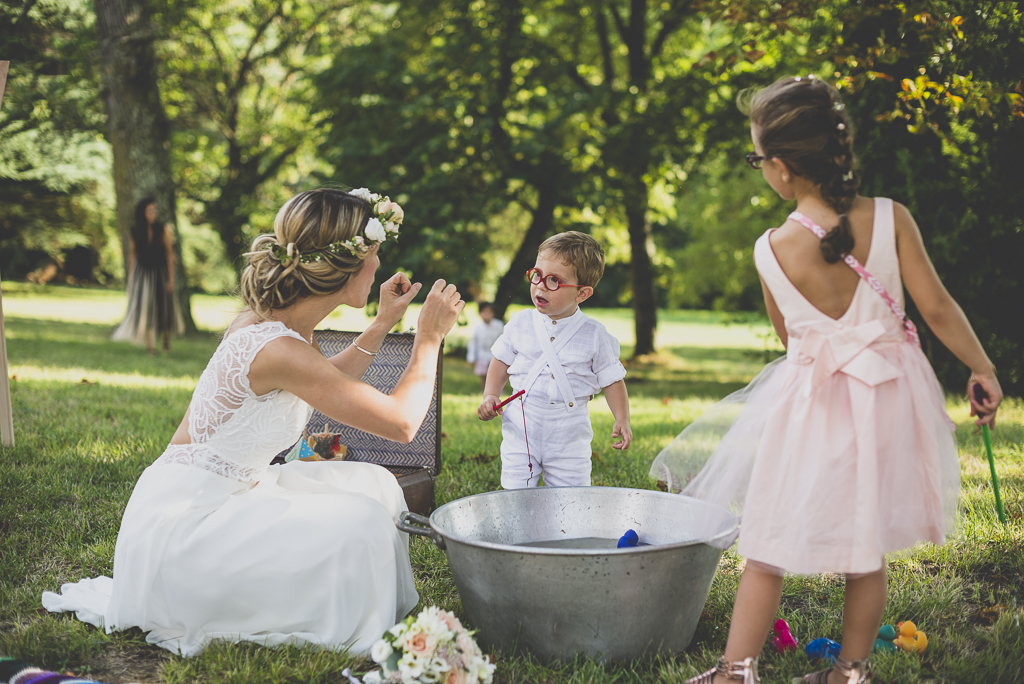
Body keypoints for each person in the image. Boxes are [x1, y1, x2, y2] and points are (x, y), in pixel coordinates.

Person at [650, 76, 1003, 684]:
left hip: (808, 404)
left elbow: (791, 341)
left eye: (756, 158)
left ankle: (736, 670)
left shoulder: (771, 248)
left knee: (766, 537)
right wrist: (981, 366)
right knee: (866, 547)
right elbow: (937, 308)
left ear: (782, 169)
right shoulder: (892, 219)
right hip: (887, 400)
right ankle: (850, 671)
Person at [42, 188, 465, 656]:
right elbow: (403, 424)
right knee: (363, 521)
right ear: (346, 266)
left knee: (375, 485)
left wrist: (383, 322)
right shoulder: (277, 346)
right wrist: (428, 339)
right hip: (190, 524)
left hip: (233, 489)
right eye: (374, 255)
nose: (378, 267)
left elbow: (325, 382)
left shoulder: (280, 324)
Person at [477, 231, 632, 489]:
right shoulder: (521, 322)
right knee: (516, 490)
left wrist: (622, 418)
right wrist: (490, 394)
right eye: (537, 275)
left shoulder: (594, 335)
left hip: (568, 429)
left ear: (582, 293)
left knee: (570, 495)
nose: (539, 285)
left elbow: (612, 380)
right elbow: (500, 360)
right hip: (522, 422)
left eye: (554, 281)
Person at [112, 197, 185, 354]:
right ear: (142, 213)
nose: (154, 213)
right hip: (143, 273)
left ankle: (165, 344)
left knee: (164, 308)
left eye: (154, 210)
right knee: (146, 307)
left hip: (161, 273)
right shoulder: (135, 231)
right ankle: (151, 347)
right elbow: (133, 255)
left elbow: (170, 254)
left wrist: (171, 279)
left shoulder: (163, 229)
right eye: (150, 211)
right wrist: (131, 277)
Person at [466, 301, 504, 390]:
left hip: (495, 354)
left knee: (495, 374)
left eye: (489, 312)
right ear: (480, 314)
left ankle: (497, 390)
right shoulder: (478, 328)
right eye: (484, 312)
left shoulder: (498, 325)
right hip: (482, 354)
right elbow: (473, 343)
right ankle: (485, 391)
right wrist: (471, 357)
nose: (487, 315)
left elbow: (503, 340)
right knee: (483, 374)